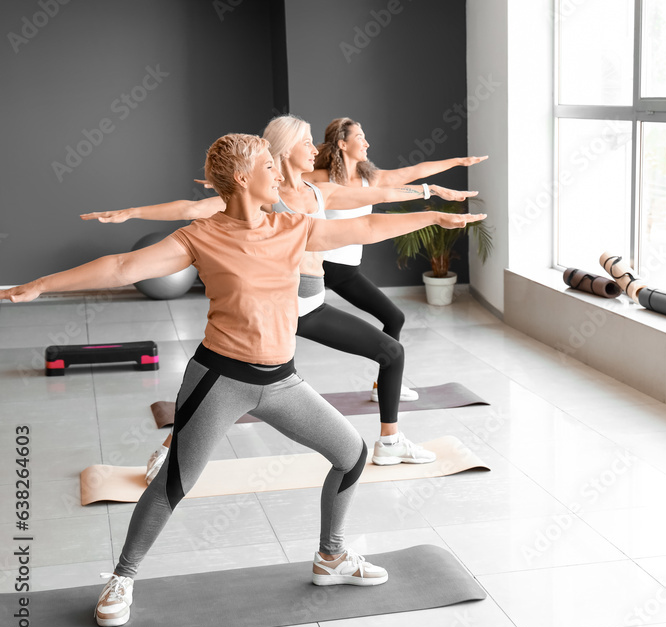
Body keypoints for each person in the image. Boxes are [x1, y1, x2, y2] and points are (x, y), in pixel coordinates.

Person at [3, 132, 484, 627]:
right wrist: (39, 285)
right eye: (268, 167)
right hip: (220, 378)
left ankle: (331, 557)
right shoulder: (200, 235)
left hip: (283, 381)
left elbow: (362, 226)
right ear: (241, 178)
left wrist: (431, 214)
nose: (278, 173)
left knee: (351, 454)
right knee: (175, 482)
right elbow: (122, 267)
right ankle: (122, 577)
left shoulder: (292, 227)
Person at [83, 115, 476, 482]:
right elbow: (192, 208)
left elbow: (383, 193)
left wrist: (430, 194)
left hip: (313, 306)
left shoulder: (321, 191)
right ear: (286, 151)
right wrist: (131, 212)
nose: (315, 149)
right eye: (307, 142)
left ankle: (389, 442)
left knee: (390, 351)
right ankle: (171, 452)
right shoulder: (266, 197)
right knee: (219, 387)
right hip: (278, 312)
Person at [305, 118, 487, 404]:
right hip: (321, 266)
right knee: (287, 323)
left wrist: (457, 161)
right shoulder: (319, 178)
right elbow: (278, 183)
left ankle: (384, 384)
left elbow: (414, 172)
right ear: (342, 143)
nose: (367, 143)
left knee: (392, 317)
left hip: (345, 269)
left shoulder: (371, 178)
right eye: (360, 137)